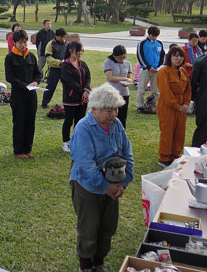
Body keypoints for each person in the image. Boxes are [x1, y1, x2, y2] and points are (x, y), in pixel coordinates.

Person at [69, 84, 134, 272]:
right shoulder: (83, 128)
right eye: (109, 110)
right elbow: (85, 164)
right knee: (89, 229)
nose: (114, 114)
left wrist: (124, 182)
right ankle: (86, 266)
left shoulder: (117, 125)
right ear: (94, 109)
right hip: (87, 186)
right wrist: (105, 186)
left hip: (113, 184)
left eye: (116, 109)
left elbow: (127, 153)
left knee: (108, 228)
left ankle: (99, 262)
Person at [5, 30, 42, 159]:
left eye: (25, 42)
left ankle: (27, 148)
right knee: (19, 122)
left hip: (31, 95)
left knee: (30, 121)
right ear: (14, 42)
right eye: (20, 42)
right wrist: (24, 85)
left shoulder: (31, 56)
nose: (23, 45)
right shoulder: (10, 57)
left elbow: (38, 73)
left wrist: (35, 82)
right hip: (18, 95)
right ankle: (19, 150)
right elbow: (9, 77)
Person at [156, 46, 191, 168]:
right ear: (169, 57)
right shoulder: (164, 71)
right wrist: (177, 106)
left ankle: (176, 156)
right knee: (167, 132)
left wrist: (186, 103)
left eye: (181, 56)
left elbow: (188, 90)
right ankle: (164, 158)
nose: (178, 58)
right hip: (168, 107)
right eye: (175, 56)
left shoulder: (183, 71)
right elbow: (165, 93)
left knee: (180, 132)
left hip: (182, 107)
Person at [60, 41, 91, 153]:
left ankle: (77, 141)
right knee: (68, 121)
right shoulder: (65, 65)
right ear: (71, 51)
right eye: (78, 51)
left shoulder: (83, 64)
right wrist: (82, 91)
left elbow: (88, 77)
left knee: (80, 121)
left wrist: (87, 91)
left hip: (83, 99)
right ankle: (66, 142)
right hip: (71, 99)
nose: (80, 53)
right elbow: (69, 82)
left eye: (81, 50)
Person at [136, 26, 165, 113]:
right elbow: (140, 56)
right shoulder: (142, 43)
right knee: (142, 88)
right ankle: (139, 106)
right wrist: (148, 67)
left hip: (156, 70)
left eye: (156, 36)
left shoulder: (159, 43)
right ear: (149, 34)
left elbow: (162, 56)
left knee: (155, 89)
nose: (155, 38)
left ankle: (154, 105)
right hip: (145, 70)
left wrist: (159, 67)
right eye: (153, 36)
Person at [103, 45, 132, 129]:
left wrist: (128, 82)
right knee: (111, 116)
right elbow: (111, 78)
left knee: (123, 116)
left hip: (124, 92)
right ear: (114, 55)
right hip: (112, 92)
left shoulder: (127, 63)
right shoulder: (108, 62)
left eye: (124, 57)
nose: (122, 59)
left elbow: (130, 77)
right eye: (120, 58)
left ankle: (122, 133)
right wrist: (124, 79)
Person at [41, 28, 68, 109]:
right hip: (54, 69)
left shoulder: (67, 43)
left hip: (65, 69)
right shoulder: (50, 44)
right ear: (56, 36)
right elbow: (48, 58)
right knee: (51, 87)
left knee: (67, 86)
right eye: (61, 37)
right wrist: (59, 62)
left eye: (64, 37)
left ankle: (67, 102)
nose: (63, 39)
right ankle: (44, 103)